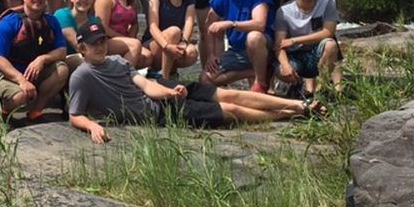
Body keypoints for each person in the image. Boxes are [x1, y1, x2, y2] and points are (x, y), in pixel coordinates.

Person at [69, 21, 319, 144]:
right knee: (229, 111)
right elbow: (75, 114)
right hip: (159, 113)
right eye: (94, 43)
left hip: (163, 89)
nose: (100, 46)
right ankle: (287, 114)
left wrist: (169, 90)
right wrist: (91, 126)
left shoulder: (116, 61)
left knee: (227, 95)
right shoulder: (82, 76)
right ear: (82, 48)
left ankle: (298, 105)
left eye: (102, 40)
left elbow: (144, 84)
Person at [0, 0, 69, 119]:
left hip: (34, 71)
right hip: (7, 75)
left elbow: (62, 51)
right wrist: (21, 80)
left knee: (62, 69)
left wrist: (42, 59)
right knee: (21, 96)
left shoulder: (51, 21)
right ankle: (5, 112)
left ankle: (36, 111)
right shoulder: (9, 22)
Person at [201, 0, 275, 93]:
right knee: (206, 78)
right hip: (236, 51)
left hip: (262, 49)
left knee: (253, 37)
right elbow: (209, 26)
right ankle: (252, 72)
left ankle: (261, 82)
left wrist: (231, 24)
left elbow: (259, 25)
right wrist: (211, 55)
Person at [274, 0, 342, 97]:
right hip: (295, 55)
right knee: (282, 69)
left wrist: (294, 40)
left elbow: (328, 32)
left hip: (316, 53)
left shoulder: (328, 3)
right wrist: (285, 65)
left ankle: (321, 90)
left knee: (331, 44)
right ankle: (298, 86)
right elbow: (279, 44)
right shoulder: (283, 11)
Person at [94, 0, 152, 68]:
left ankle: (120, 71)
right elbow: (102, 27)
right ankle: (123, 79)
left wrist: (131, 37)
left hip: (125, 40)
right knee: (135, 45)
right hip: (106, 41)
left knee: (147, 56)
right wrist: (126, 39)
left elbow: (135, 23)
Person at [148, 0, 198, 78]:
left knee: (191, 53)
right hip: (155, 44)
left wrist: (184, 42)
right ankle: (165, 79)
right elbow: (152, 26)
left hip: (175, 42)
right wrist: (167, 46)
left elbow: (189, 20)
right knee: (174, 31)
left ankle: (170, 71)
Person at [54, 0, 99, 72]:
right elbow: (78, 46)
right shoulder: (62, 14)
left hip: (88, 57)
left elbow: (100, 45)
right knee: (86, 60)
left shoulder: (95, 20)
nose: (83, 0)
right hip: (63, 60)